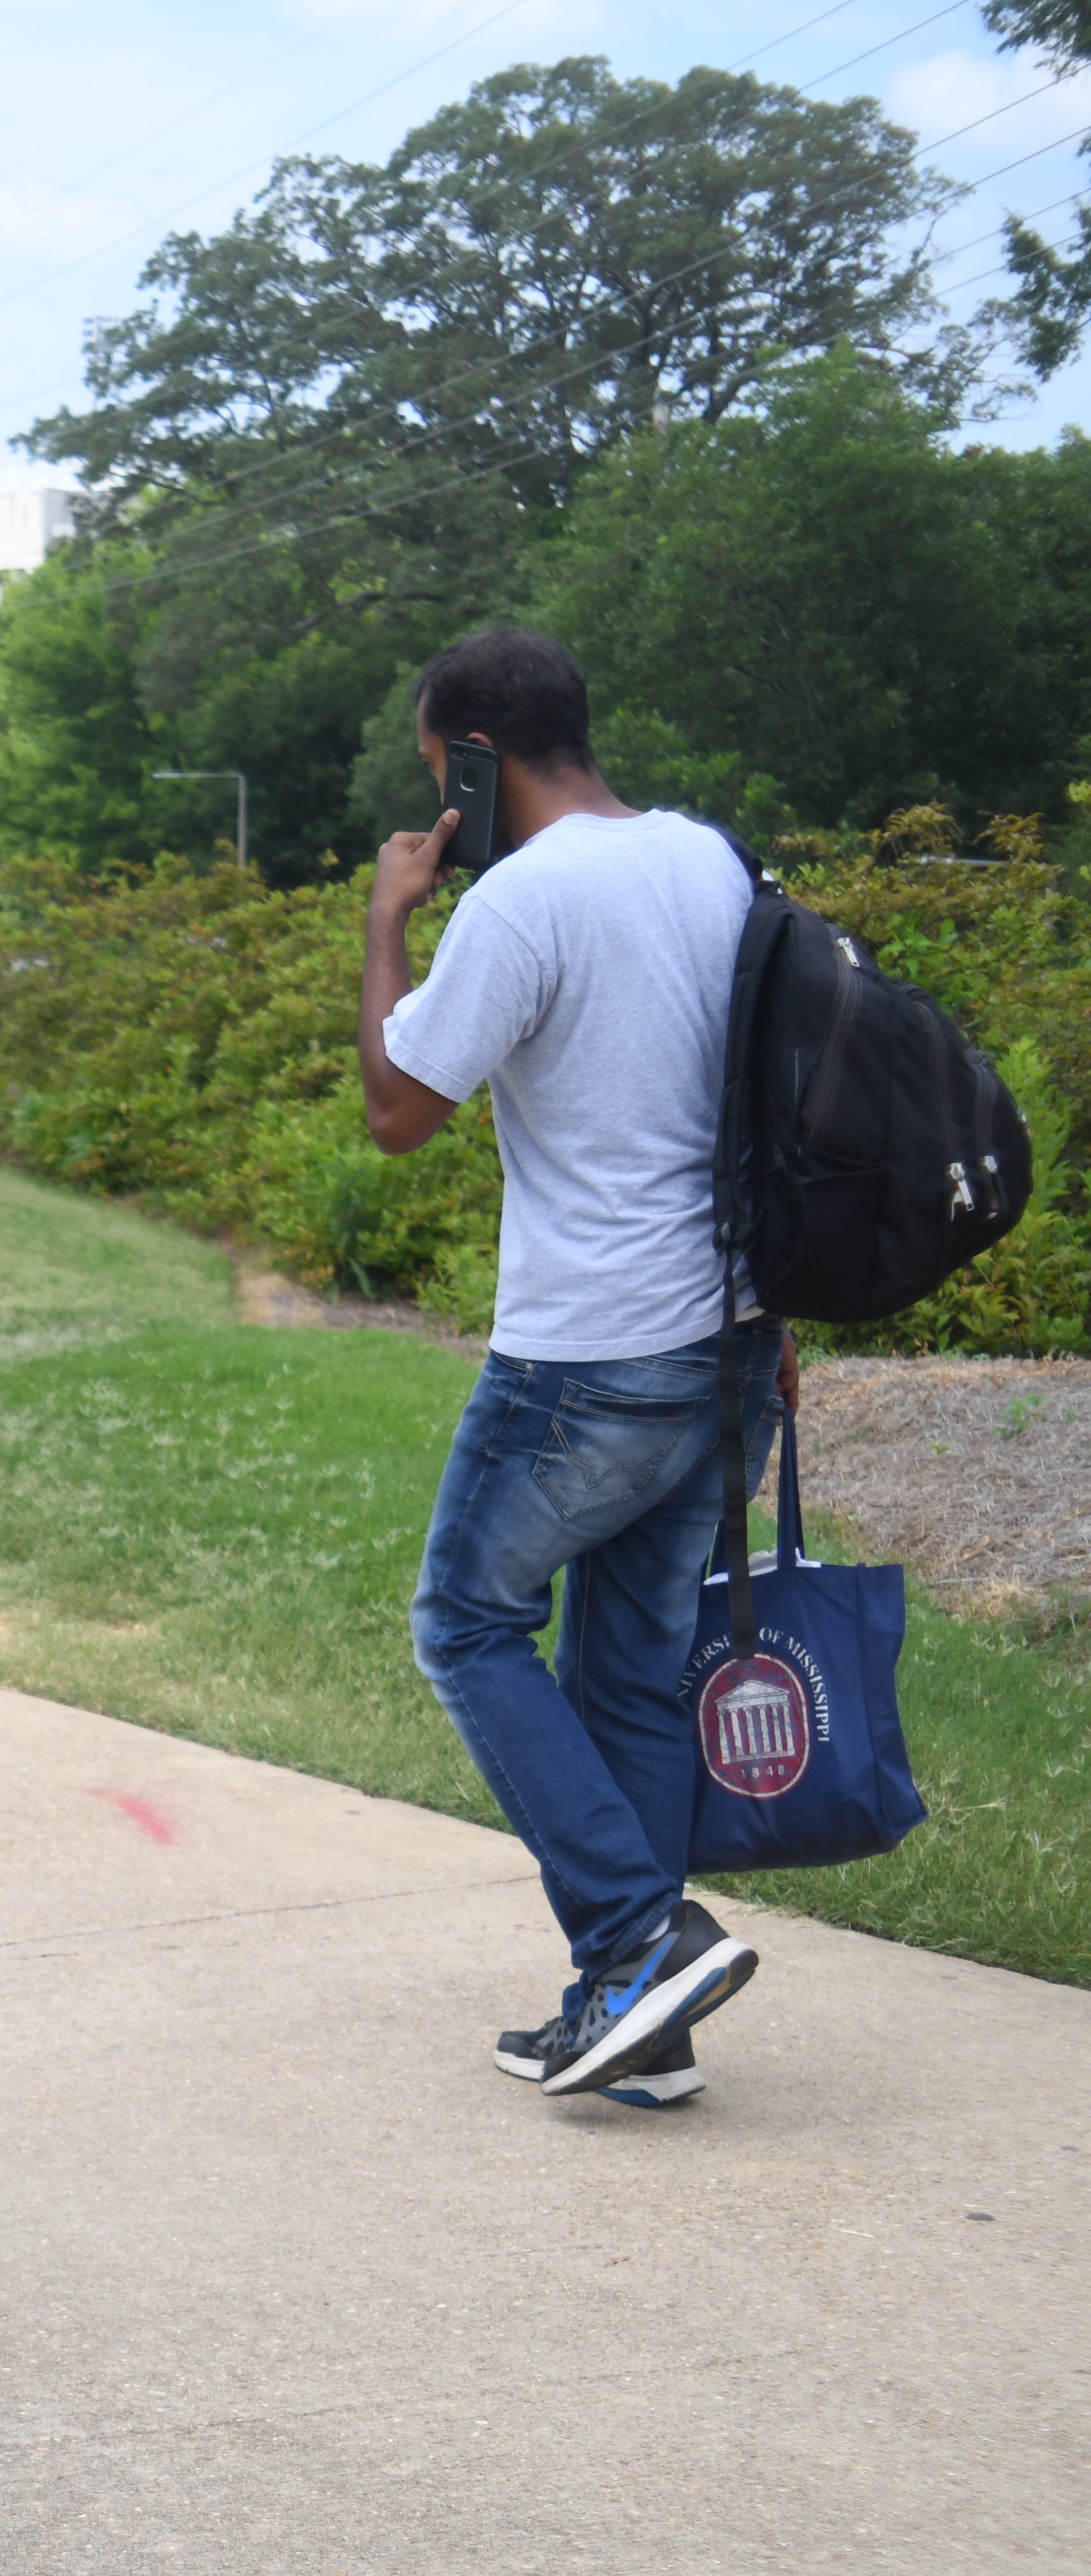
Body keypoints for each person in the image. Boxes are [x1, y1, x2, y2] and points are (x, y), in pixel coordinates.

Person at [359, 624, 791, 2106]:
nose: (440, 809)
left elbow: (397, 1110)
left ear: (472, 759)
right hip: (727, 1345)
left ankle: (634, 1933)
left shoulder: (523, 899)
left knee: (463, 1625)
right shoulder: (703, 859)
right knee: (625, 1675)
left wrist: (387, 923)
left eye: (440, 779)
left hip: (588, 1358)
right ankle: (639, 2020)